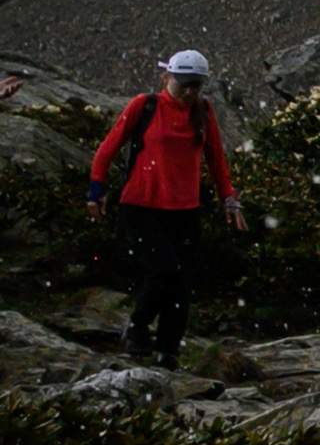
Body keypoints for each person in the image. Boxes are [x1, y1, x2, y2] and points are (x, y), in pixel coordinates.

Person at [87, 49, 242, 367]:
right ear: (166, 77)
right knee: (165, 270)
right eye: (183, 84)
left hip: (185, 209)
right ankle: (137, 327)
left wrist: (229, 199)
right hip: (141, 204)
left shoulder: (204, 112)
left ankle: (167, 352)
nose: (189, 92)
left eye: (195, 86)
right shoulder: (144, 106)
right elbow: (107, 149)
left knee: (181, 285)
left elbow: (216, 160)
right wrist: (96, 190)